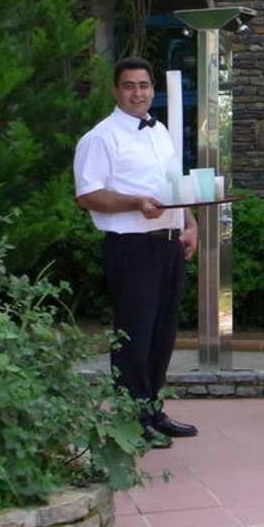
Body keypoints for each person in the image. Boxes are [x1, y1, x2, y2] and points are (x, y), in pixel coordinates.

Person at [74, 57, 199, 448]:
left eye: (144, 85)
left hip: (169, 245)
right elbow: (88, 195)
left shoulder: (160, 131)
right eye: (129, 85)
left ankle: (153, 411)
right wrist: (134, 203)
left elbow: (173, 183)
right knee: (134, 335)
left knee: (163, 333)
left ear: (153, 90)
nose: (137, 92)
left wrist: (190, 223)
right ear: (116, 90)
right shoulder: (100, 137)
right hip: (131, 248)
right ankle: (131, 419)